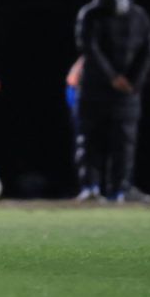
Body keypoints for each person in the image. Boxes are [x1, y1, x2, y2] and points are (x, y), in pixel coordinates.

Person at [74, 0, 150, 203]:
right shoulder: (140, 14)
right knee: (123, 142)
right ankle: (120, 189)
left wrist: (113, 78)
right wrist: (132, 82)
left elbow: (89, 48)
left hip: (95, 88)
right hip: (127, 92)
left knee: (90, 140)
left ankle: (92, 187)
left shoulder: (90, 14)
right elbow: (149, 51)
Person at [65, 57, 86, 197]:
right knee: (83, 146)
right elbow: (71, 82)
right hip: (81, 103)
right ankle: (86, 187)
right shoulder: (87, 59)